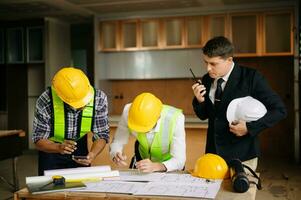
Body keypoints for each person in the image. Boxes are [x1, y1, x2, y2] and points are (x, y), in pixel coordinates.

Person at [191, 36, 287, 171]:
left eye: (213, 64)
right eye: (205, 62)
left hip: (242, 154)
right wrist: (200, 101)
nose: (208, 68)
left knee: (241, 191)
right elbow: (203, 115)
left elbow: (279, 110)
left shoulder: (251, 77)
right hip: (213, 155)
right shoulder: (207, 79)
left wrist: (249, 127)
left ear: (229, 60)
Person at [32, 67, 109, 175]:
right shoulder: (46, 100)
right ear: (61, 97)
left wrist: (92, 154)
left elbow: (101, 134)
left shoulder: (99, 98)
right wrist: (58, 147)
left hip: (80, 148)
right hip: (51, 149)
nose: (82, 105)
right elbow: (38, 139)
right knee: (50, 190)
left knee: (82, 188)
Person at [110, 92, 186, 172]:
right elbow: (117, 141)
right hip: (142, 161)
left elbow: (179, 161)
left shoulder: (176, 119)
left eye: (146, 128)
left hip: (170, 164)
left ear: (158, 117)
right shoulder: (129, 112)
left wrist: (157, 166)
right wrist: (115, 153)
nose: (142, 132)